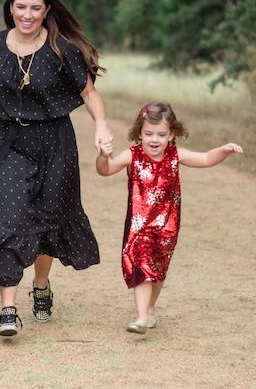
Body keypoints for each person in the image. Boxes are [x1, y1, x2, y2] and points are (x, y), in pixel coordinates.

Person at [0, 0, 113, 337]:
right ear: (10, 7)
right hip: (7, 141)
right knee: (4, 219)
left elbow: (89, 93)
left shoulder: (63, 50)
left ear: (47, 10)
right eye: (20, 7)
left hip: (55, 142)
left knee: (48, 222)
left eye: (35, 8)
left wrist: (102, 126)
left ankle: (41, 284)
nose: (26, 15)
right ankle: (8, 309)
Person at [96, 102, 243, 333]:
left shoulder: (176, 155)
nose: (154, 139)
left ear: (172, 134)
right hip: (139, 226)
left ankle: (150, 309)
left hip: (167, 226)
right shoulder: (132, 155)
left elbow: (205, 159)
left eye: (161, 134)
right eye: (148, 134)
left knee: (158, 269)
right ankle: (142, 317)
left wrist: (223, 150)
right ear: (139, 133)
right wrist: (104, 156)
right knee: (142, 263)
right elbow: (104, 170)